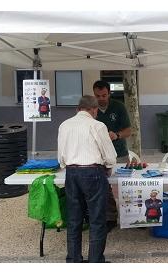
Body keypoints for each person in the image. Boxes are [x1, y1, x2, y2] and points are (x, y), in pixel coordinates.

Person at [58, 95, 117, 263]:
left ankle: (74, 260)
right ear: (94, 109)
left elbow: (61, 157)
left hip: (71, 173)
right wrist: (108, 166)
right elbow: (110, 156)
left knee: (74, 219)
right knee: (97, 219)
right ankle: (95, 261)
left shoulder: (64, 125)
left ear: (78, 109)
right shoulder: (97, 125)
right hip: (93, 172)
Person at [93, 80, 132, 231]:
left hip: (120, 153)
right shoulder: (92, 109)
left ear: (109, 93)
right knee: (105, 187)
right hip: (99, 155)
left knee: (126, 184)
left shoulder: (119, 107)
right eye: (98, 96)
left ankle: (132, 216)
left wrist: (116, 135)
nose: (101, 98)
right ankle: (110, 218)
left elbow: (129, 131)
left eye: (104, 95)